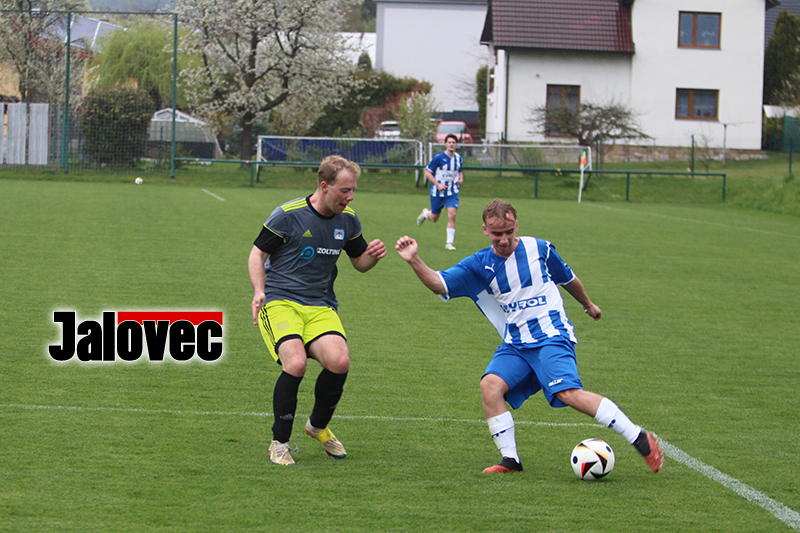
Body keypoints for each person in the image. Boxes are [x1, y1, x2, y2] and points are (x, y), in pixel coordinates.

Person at [396, 199, 664, 474]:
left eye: (509, 231)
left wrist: (588, 304)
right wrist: (414, 260)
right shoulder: (479, 264)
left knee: (568, 393)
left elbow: (567, 278)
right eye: (497, 233)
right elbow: (439, 284)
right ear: (485, 230)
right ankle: (510, 460)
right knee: (490, 386)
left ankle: (639, 437)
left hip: (551, 335)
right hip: (516, 344)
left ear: (516, 226)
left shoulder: (540, 248)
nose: (504, 239)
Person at [248, 155, 387, 466]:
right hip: (280, 301)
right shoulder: (288, 215)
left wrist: (373, 256)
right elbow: (257, 255)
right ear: (324, 186)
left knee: (340, 361)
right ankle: (279, 443)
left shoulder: (347, 219)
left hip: (320, 305)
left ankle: (317, 426)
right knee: (296, 363)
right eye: (345, 190)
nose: (350, 197)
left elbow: (359, 262)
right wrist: (259, 291)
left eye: (353, 190)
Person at [416, 133, 463, 250]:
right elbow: (428, 173)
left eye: (453, 142)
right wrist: (438, 184)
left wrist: (461, 179)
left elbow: (459, 171)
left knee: (452, 215)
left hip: (452, 192)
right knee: (434, 218)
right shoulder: (438, 157)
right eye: (449, 142)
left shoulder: (458, 158)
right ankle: (425, 214)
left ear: (456, 144)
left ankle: (449, 243)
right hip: (437, 193)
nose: (451, 144)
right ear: (445, 144)